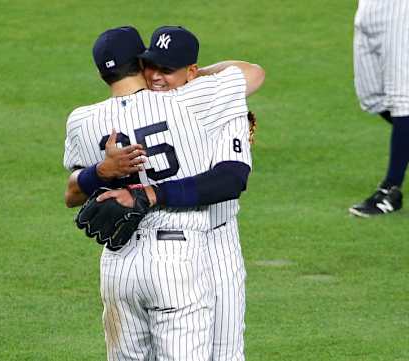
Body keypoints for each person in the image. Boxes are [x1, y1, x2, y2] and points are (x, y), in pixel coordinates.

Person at [63, 26, 263, 360]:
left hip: (157, 252)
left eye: (167, 69)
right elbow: (252, 73)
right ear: (139, 64)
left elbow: (230, 180)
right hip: (178, 248)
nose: (156, 76)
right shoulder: (196, 100)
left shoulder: (84, 119)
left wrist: (103, 175)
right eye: (150, 65)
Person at [349, 0, 409, 217]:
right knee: (372, 97)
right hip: (368, 10)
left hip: (401, 12)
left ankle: (390, 190)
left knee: (402, 100)